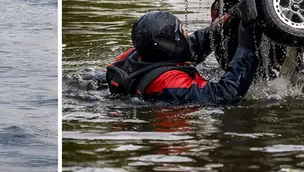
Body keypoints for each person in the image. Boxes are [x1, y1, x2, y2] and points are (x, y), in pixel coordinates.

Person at [102, 10, 258, 106]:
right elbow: (225, 95)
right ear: (168, 44)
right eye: (182, 31)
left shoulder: (139, 54)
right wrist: (246, 48)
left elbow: (188, 48)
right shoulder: (170, 84)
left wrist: (213, 31)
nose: (186, 34)